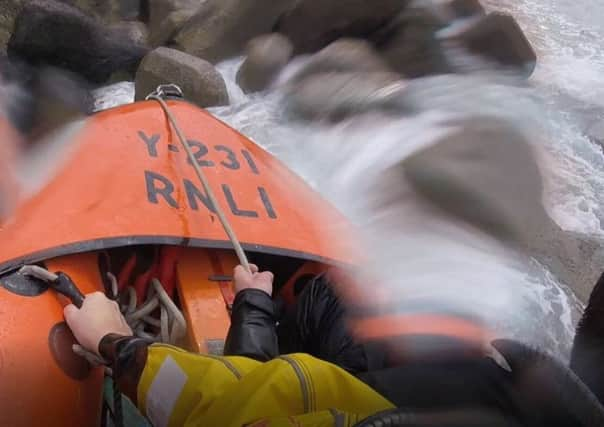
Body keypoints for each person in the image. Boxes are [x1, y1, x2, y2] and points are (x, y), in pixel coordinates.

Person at [64, 264, 604, 427]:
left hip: (324, 393)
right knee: (338, 295)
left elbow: (252, 404)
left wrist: (117, 343)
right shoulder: (540, 401)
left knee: (325, 299)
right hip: (379, 388)